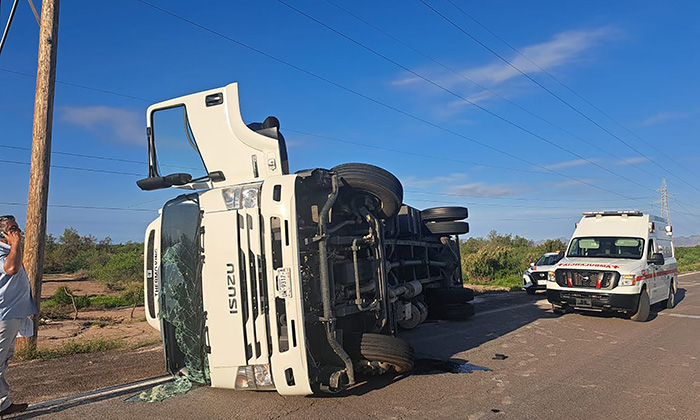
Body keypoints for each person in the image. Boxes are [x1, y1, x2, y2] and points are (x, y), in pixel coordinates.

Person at [0, 215, 36, 416]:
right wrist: (15, 244)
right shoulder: (3, 251)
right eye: (12, 229)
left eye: (17, 228)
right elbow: (11, 269)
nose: (18, 232)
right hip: (3, 315)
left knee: (3, 360)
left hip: (12, 314)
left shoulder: (10, 249)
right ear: (3, 233)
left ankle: (3, 404)